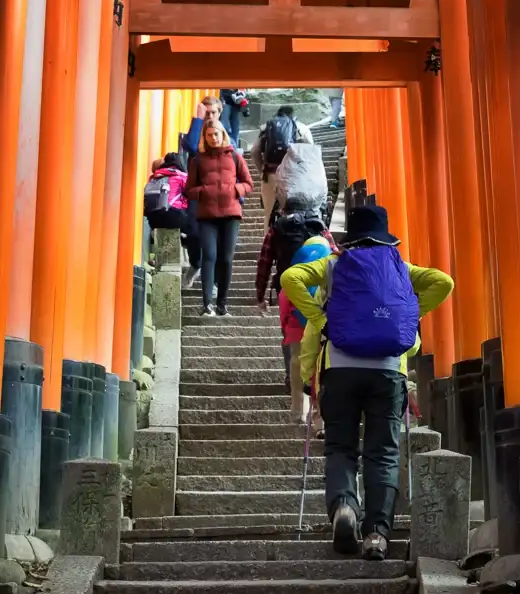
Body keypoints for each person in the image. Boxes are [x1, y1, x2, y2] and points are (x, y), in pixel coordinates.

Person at [281, 205, 453, 561]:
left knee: (341, 447)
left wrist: (321, 319)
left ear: (351, 239)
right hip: (388, 372)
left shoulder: (332, 265)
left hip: (341, 369)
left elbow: (289, 279)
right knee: (383, 452)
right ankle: (377, 532)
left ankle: (344, 506)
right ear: (386, 237)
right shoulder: (401, 269)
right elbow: (444, 282)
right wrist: (408, 313)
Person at [254, 195, 336, 420]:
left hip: (289, 292)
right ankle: (319, 413)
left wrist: (261, 295)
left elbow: (264, 261)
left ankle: (297, 405)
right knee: (320, 352)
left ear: (283, 210)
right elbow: (335, 255)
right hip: (321, 295)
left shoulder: (277, 228)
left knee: (295, 350)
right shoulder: (319, 227)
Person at [185, 119, 253, 317]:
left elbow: (249, 183)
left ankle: (222, 304)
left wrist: (235, 190)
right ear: (204, 137)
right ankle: (207, 305)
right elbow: (189, 190)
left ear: (223, 134)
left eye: (216, 134)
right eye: (209, 135)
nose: (213, 138)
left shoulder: (235, 157)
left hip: (231, 215)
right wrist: (204, 191)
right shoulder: (197, 160)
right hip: (207, 215)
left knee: (226, 259)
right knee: (209, 257)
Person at [251, 106, 313, 233]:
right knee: (295, 211)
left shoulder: (266, 127)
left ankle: (268, 247)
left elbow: (254, 151)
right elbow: (310, 151)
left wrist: (262, 169)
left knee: (268, 214)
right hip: (294, 176)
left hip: (271, 174)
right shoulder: (301, 127)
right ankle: (293, 242)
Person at [144, 153, 202, 286]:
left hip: (153, 219)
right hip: (174, 217)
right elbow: (192, 196)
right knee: (195, 231)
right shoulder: (183, 177)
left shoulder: (154, 178)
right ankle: (195, 263)